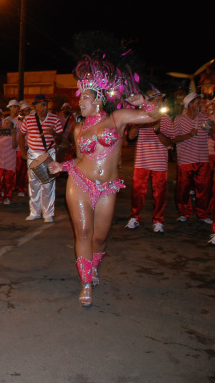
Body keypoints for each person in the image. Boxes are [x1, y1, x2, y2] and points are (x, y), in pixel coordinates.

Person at [47, 49, 162, 307]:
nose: (80, 102)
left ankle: (93, 266)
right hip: (79, 182)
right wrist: (61, 166)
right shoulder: (78, 128)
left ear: (98, 99)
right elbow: (79, 159)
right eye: (80, 98)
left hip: (108, 187)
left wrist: (142, 100)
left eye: (85, 97)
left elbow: (155, 115)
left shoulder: (116, 118)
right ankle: (86, 283)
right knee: (84, 232)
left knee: (100, 236)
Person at [125, 89, 175, 233]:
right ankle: (134, 217)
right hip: (142, 161)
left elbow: (169, 143)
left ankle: (158, 220)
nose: (160, 103)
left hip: (159, 162)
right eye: (157, 100)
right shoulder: (139, 117)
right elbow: (131, 137)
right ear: (149, 102)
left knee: (160, 193)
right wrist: (139, 124)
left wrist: (157, 131)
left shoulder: (165, 118)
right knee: (137, 192)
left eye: (161, 100)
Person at [19, 94, 64, 222]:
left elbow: (60, 139)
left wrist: (54, 134)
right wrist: (23, 151)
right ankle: (35, 212)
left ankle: (48, 213)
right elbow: (21, 136)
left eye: (46, 105)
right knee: (33, 184)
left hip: (49, 153)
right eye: (42, 105)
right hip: (33, 154)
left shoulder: (54, 119)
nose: (44, 108)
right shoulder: (28, 119)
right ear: (36, 106)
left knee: (48, 183)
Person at [172, 92, 214, 224]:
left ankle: (203, 214)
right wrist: (189, 135)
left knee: (204, 189)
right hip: (186, 160)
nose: (200, 104)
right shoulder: (179, 119)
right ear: (189, 104)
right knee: (183, 189)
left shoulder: (205, 119)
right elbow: (174, 139)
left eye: (200, 102)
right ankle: (184, 212)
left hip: (203, 159)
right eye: (197, 102)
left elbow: (213, 137)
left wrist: (213, 128)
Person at [0, 118, 18, 205]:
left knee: (8, 181)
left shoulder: (15, 134)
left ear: (12, 125)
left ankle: (7, 197)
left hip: (10, 160)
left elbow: (14, 146)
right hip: (0, 160)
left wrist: (13, 136)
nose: (6, 124)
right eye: (5, 123)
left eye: (8, 123)